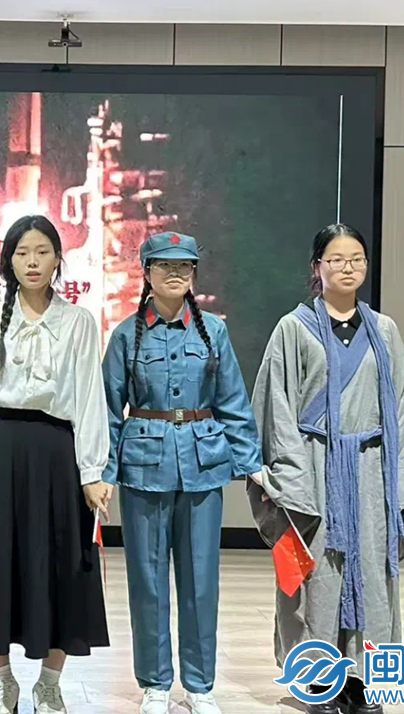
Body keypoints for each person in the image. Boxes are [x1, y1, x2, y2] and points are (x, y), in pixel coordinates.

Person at [247, 223, 404, 714]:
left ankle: (364, 680)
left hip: (371, 473)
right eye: (336, 259)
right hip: (313, 470)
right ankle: (317, 681)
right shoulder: (293, 329)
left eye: (356, 259)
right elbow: (275, 409)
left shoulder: (385, 331)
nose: (347, 267)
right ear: (317, 268)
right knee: (318, 576)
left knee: (371, 574)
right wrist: (292, 482)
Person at [0, 214, 111, 714]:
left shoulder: (78, 322)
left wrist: (92, 472)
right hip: (0, 451)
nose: (33, 262)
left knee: (62, 565)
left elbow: (89, 398)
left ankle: (49, 683)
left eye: (42, 252)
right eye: (22, 253)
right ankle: (3, 683)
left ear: (59, 259)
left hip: (58, 455)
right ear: (9, 262)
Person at [101, 232, 261, 714]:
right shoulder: (126, 335)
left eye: (184, 266)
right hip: (143, 469)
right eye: (165, 265)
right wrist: (103, 472)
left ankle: (199, 685)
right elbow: (108, 410)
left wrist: (251, 463)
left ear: (193, 273)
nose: (175, 274)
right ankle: (155, 684)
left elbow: (232, 402)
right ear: (147, 273)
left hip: (202, 466)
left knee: (200, 580)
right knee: (147, 581)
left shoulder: (213, 331)